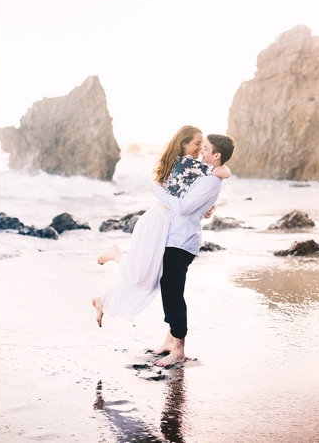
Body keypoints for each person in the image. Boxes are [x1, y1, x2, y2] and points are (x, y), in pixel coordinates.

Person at [92, 126, 229, 327]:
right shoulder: (187, 163)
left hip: (165, 221)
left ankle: (103, 300)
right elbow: (224, 172)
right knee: (143, 275)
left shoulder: (187, 164)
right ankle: (116, 257)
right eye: (197, 144)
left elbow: (195, 193)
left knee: (147, 276)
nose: (200, 149)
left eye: (203, 145)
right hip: (157, 221)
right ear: (184, 144)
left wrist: (209, 206)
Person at [151, 134, 236, 367]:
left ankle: (179, 349)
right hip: (175, 237)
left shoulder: (210, 180)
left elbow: (183, 207)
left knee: (173, 293)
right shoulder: (204, 174)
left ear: (216, 155)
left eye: (206, 148)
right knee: (169, 289)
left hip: (182, 241)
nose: (201, 151)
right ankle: (170, 340)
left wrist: (159, 191)